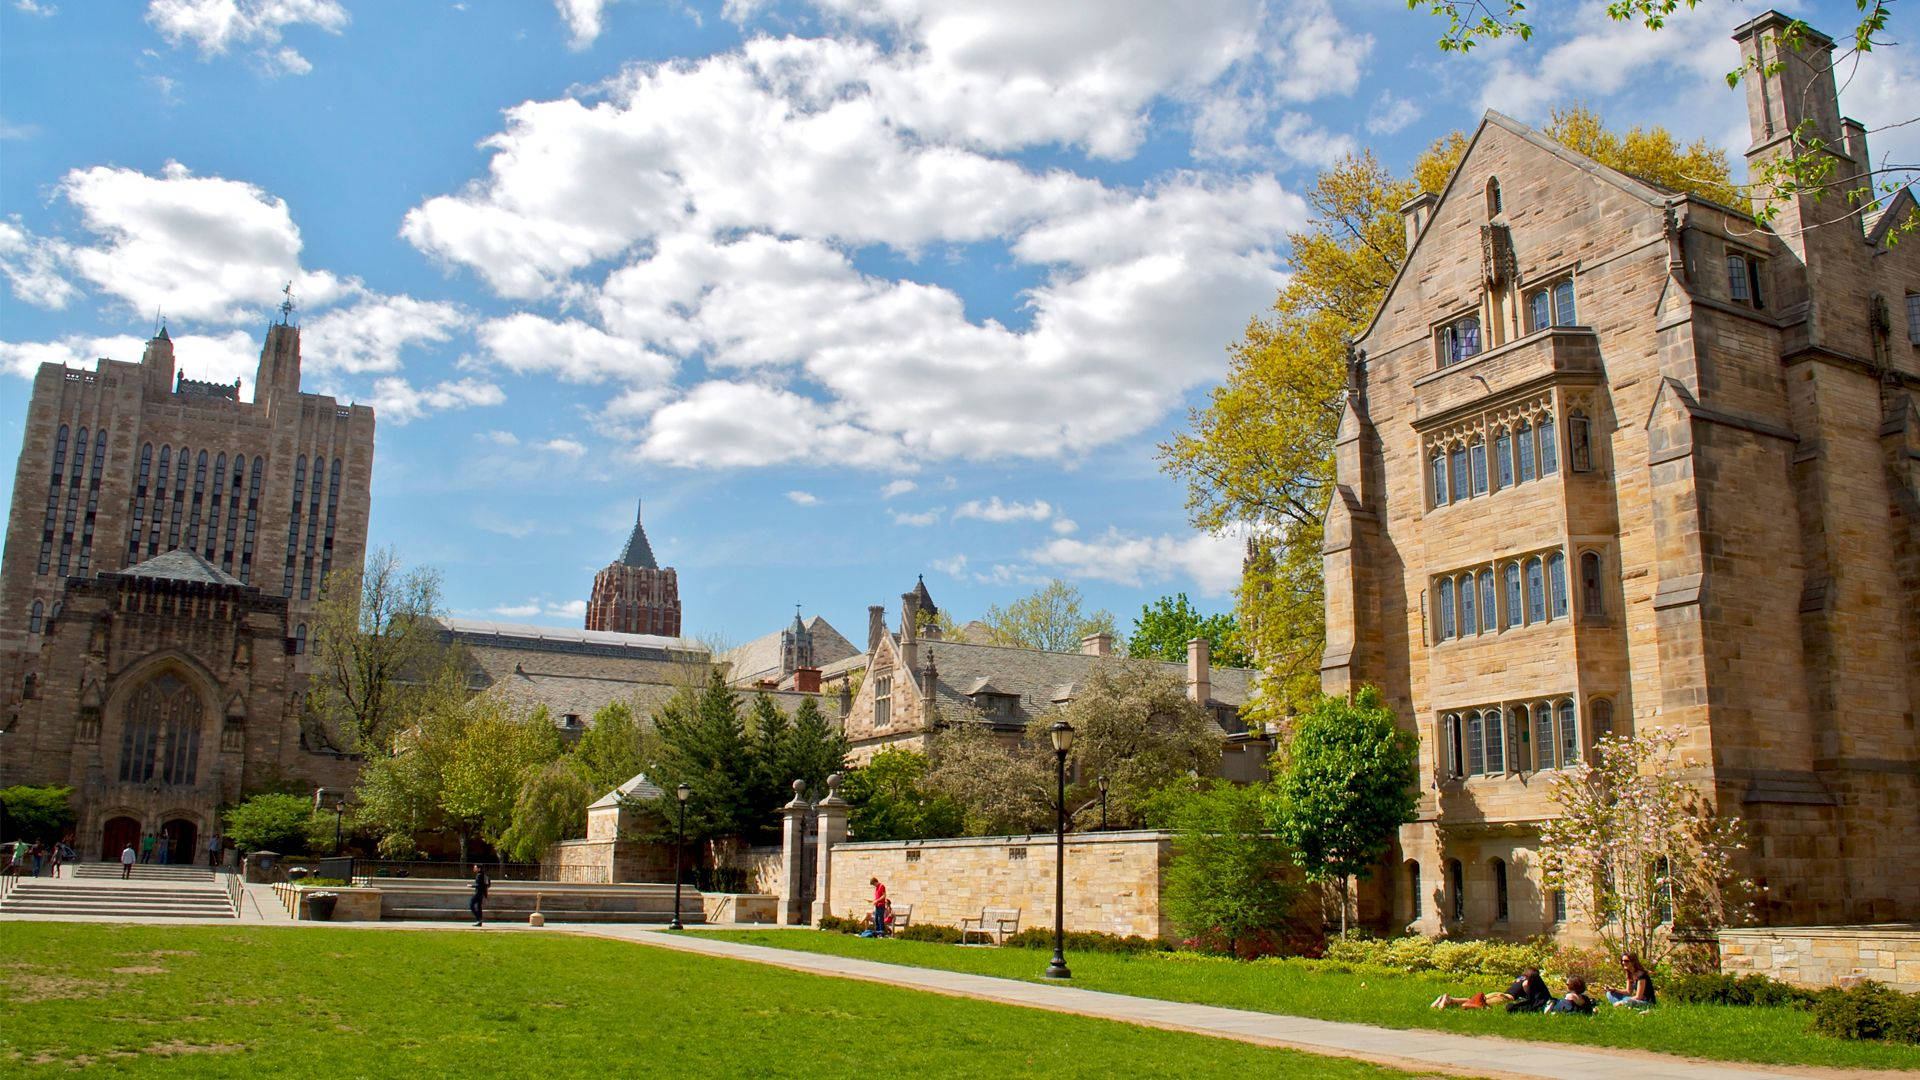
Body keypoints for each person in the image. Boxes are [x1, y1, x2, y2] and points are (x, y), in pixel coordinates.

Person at [1430, 966, 1554, 1011]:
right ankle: (1448, 1001)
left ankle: (1449, 1000)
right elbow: (1527, 990)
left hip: (1499, 993)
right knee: (1479, 1004)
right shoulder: (1526, 981)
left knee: (1474, 999)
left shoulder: (1520, 978)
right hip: (1506, 998)